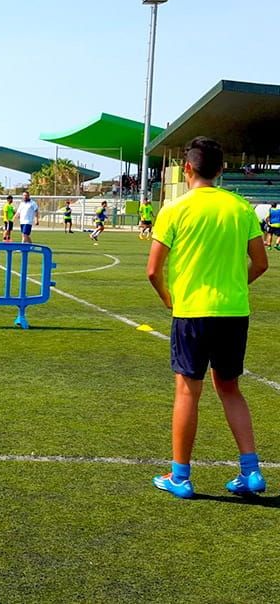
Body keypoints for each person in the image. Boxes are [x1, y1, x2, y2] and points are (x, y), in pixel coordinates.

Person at [147, 137, 268, 499]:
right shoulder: (240, 207)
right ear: (221, 170)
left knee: (188, 391)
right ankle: (251, 472)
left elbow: (153, 270)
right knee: (230, 388)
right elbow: (261, 263)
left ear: (187, 168)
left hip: (192, 313)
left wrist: (171, 300)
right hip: (233, 312)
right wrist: (234, 285)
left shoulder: (175, 209)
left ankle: (180, 476)